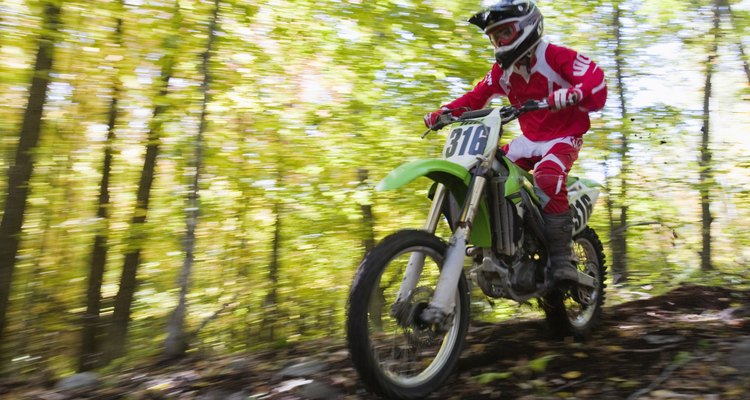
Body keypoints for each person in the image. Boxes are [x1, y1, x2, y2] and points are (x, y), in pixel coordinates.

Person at [423, 0, 607, 284]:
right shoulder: (502, 72)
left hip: (563, 136)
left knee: (546, 176)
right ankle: (502, 242)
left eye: (504, 33)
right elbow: (475, 98)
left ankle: (562, 259)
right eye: (494, 37)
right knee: (482, 170)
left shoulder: (555, 56)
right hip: (530, 139)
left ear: (527, 27)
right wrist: (445, 112)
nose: (499, 41)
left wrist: (573, 94)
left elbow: (595, 82)